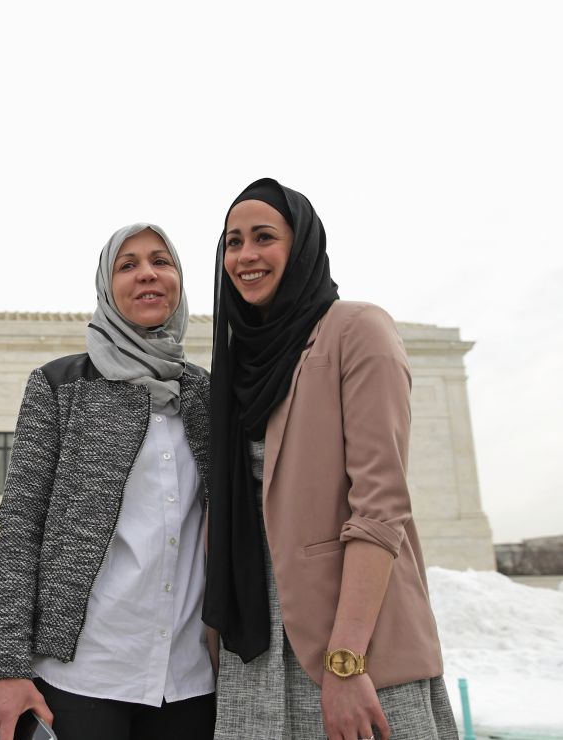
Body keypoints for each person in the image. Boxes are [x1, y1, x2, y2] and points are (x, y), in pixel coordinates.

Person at [204, 178, 458, 739]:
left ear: (302, 245)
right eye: (232, 242)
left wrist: (346, 661)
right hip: (255, 645)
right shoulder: (234, 362)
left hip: (351, 636)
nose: (245, 256)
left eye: (264, 237)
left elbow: (380, 506)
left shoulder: (356, 330)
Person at [0, 224, 216, 740]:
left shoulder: (207, 396)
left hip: (190, 681)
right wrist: (4, 665)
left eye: (161, 261)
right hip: (83, 678)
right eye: (127, 265)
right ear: (107, 287)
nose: (147, 273)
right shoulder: (60, 386)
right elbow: (20, 526)